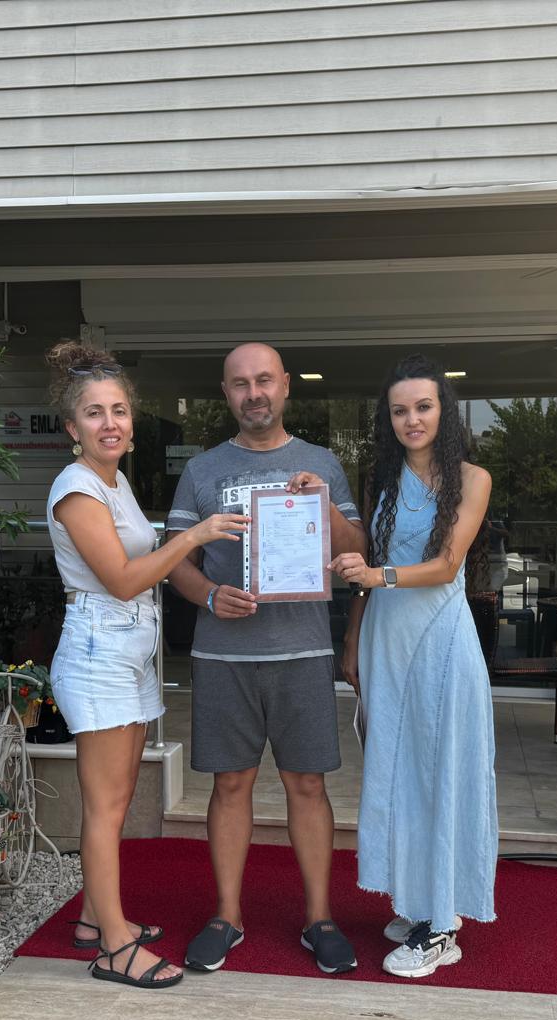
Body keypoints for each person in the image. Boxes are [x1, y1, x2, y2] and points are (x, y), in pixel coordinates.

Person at [43, 341, 248, 989]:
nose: (110, 423)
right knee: (105, 808)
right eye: (94, 413)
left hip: (127, 652)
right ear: (72, 428)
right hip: (98, 653)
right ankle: (114, 947)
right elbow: (125, 579)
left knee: (120, 797)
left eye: (119, 411)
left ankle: (93, 918)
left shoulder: (115, 482)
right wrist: (194, 536)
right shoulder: (77, 489)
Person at [166, 342, 367, 974]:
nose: (253, 393)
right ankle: (227, 915)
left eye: (264, 380)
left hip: (302, 648)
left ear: (285, 386)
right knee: (230, 783)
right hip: (223, 653)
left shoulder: (322, 462)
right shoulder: (202, 469)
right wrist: (208, 594)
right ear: (226, 393)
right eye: (239, 383)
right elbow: (176, 560)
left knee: (308, 783)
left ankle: (319, 918)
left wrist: (323, 504)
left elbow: (357, 549)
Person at [331, 354, 498, 978]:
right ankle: (418, 899)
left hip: (439, 642)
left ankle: (442, 925)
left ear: (443, 411)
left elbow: (448, 564)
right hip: (385, 639)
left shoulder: (473, 479)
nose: (412, 419)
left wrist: (378, 576)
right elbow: (364, 567)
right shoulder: (384, 480)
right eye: (400, 410)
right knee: (399, 770)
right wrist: (354, 637)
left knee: (439, 772)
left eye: (423, 406)